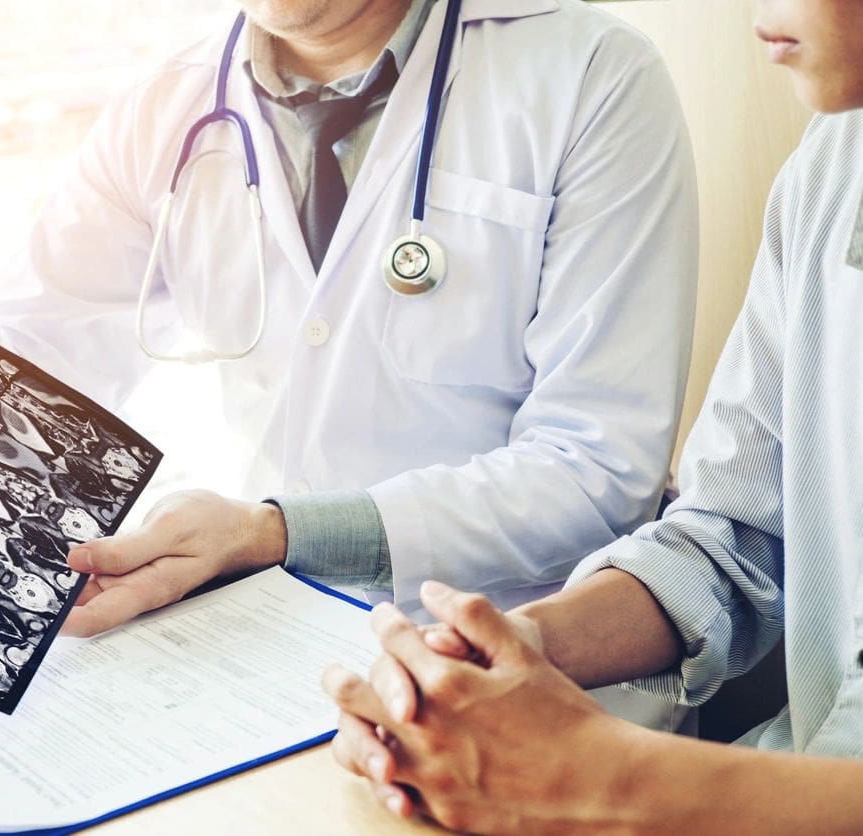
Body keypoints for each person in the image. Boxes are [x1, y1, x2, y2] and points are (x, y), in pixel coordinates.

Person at [0, 0, 697, 675]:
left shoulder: (591, 76)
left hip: (529, 671)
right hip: (274, 653)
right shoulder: (164, 108)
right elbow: (22, 405)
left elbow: (597, 471)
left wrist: (280, 532)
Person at [324, 0, 863, 830]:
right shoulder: (832, 164)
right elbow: (732, 539)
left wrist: (598, 778)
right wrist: (506, 653)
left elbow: (591, 466)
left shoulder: (600, 70)